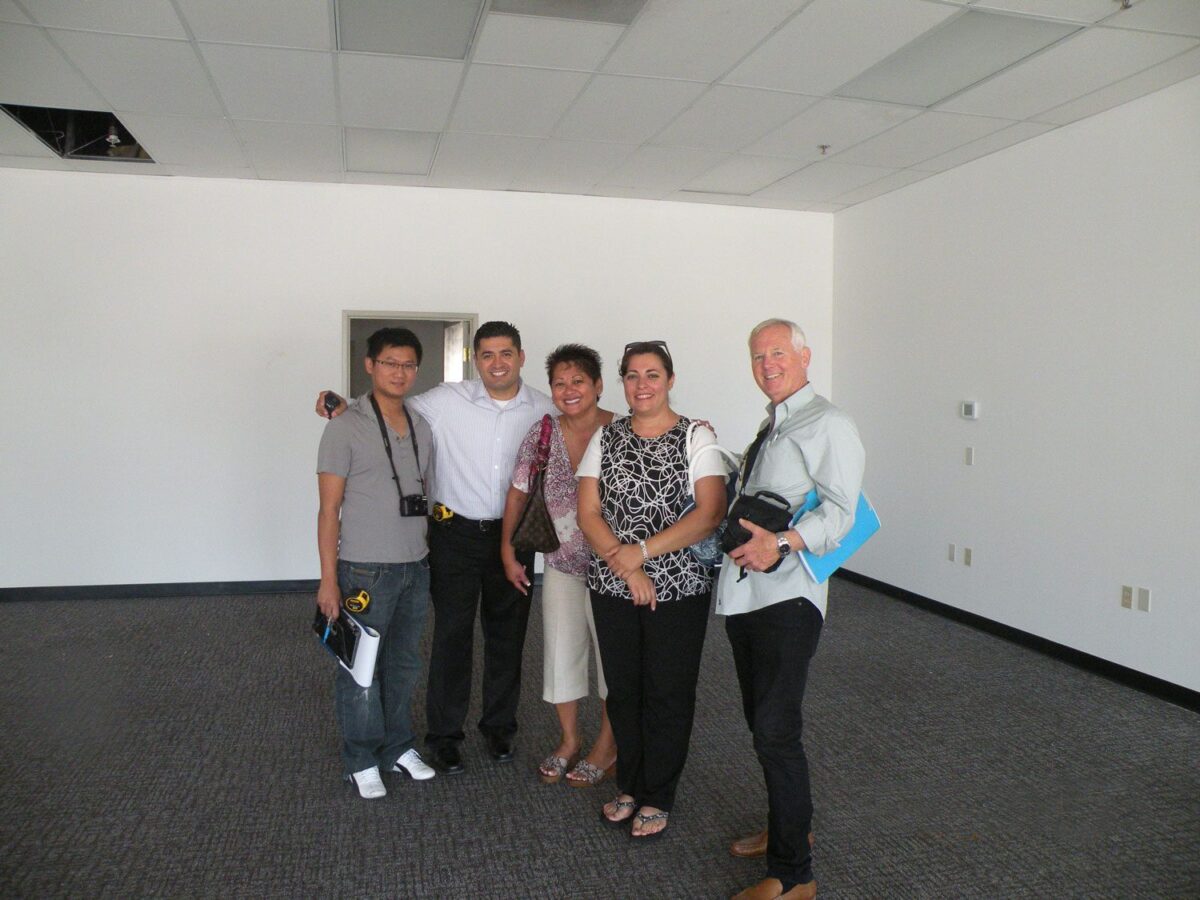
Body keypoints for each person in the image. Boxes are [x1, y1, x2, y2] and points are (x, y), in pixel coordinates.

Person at [318, 321, 555, 776]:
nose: (497, 363)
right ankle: (445, 736)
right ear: (474, 360)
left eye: (506, 353)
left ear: (521, 357)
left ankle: (500, 727)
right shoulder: (446, 400)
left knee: (508, 637)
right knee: (451, 637)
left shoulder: (543, 410)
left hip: (514, 538)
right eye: (486, 354)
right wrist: (339, 404)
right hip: (454, 537)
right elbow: (388, 405)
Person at [718, 320, 865, 900]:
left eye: (778, 353)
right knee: (763, 724)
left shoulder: (830, 423)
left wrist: (781, 543)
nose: (767, 364)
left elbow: (842, 513)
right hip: (747, 595)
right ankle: (789, 828)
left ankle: (793, 876)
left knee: (776, 731)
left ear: (805, 356)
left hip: (788, 600)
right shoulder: (774, 425)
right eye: (757, 356)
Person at [576, 340, 728, 839]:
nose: (642, 385)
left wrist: (641, 554)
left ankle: (658, 794)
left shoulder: (696, 437)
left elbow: (709, 515)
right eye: (633, 375)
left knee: (667, 691)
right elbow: (588, 512)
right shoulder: (607, 436)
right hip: (614, 585)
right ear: (621, 382)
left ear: (670, 379)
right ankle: (630, 785)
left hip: (680, 588)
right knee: (623, 691)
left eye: (652, 374)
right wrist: (627, 569)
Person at [316, 327, 438, 798]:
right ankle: (361, 756)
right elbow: (329, 510)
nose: (399, 372)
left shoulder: (422, 425)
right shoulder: (344, 425)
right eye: (389, 363)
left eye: (408, 364)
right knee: (360, 668)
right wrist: (328, 580)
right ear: (370, 365)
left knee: (404, 663)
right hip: (364, 568)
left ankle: (397, 746)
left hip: (415, 565)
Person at [499, 344, 618, 787]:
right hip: (562, 562)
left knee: (614, 662)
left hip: (616, 568)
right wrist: (508, 551)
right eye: (560, 383)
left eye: (578, 381)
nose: (568, 390)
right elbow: (516, 491)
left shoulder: (623, 432)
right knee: (560, 653)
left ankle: (607, 746)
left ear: (598, 385)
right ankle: (569, 740)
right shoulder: (543, 431)